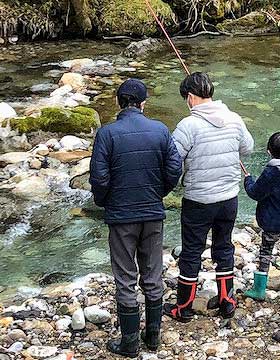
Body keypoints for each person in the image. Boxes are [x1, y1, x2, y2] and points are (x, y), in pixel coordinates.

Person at [89, 79, 182, 358]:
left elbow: (99, 177)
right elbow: (175, 168)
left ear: (119, 102)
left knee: (125, 277)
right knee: (153, 275)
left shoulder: (107, 133)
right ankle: (153, 336)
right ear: (143, 103)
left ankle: (129, 343)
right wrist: (159, 193)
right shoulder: (161, 130)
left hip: (121, 217)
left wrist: (105, 202)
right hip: (153, 213)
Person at [163, 72, 254, 322]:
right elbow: (248, 148)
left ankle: (184, 308)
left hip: (198, 200)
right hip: (229, 199)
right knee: (224, 246)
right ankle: (227, 301)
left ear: (191, 97)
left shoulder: (187, 125)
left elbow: (172, 162)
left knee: (191, 252)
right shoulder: (234, 119)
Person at [243, 132, 280, 301]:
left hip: (272, 223)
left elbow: (255, 193)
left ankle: (259, 290)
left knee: (266, 252)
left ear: (268, 151)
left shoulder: (271, 172)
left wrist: (248, 180)